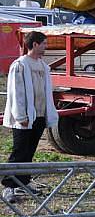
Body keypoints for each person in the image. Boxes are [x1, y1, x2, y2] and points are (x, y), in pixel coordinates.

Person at [2, 31, 59, 204]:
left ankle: (23, 182)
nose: (46, 46)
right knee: (19, 151)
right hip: (25, 117)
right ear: (35, 44)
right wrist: (21, 115)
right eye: (44, 43)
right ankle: (9, 186)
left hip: (38, 115)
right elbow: (16, 92)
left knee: (29, 151)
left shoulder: (42, 65)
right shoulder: (20, 65)